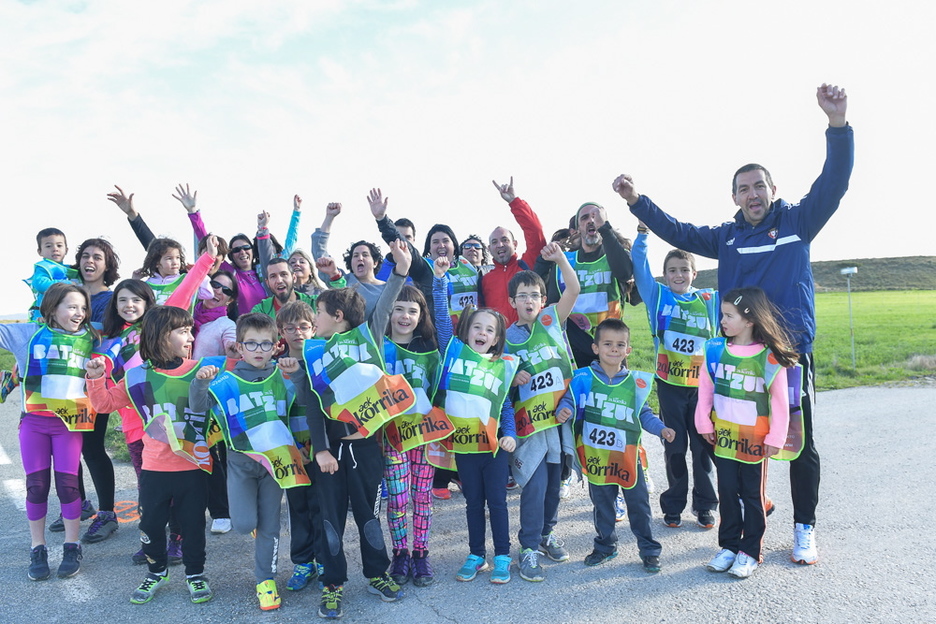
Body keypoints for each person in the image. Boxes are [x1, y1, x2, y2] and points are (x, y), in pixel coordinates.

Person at [615, 83, 852, 565]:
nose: (752, 194)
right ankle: (746, 526)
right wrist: (637, 201)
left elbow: (835, 182)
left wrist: (837, 125)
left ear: (773, 189)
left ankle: (804, 525)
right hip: (737, 357)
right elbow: (678, 231)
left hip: (784, 355)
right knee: (738, 445)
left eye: (759, 186)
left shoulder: (797, 223)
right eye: (743, 188)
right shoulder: (726, 238)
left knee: (796, 441)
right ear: (734, 196)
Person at [295, 239, 412, 619]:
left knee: (367, 515)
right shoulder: (312, 351)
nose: (315, 316)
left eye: (319, 310)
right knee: (329, 519)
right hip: (330, 451)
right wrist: (322, 449)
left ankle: (377, 573)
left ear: (339, 314)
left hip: (365, 448)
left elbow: (385, 303)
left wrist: (400, 270)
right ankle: (332, 583)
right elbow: (313, 403)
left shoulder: (368, 337)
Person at [86, 306, 223, 605]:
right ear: (161, 336)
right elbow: (105, 403)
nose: (190, 337)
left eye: (190, 330)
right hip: (154, 468)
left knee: (192, 525)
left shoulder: (199, 369)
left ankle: (195, 574)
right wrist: (96, 378)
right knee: (149, 525)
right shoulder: (137, 376)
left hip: (193, 465)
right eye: (183, 331)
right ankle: (156, 571)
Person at [190, 313, 310, 611]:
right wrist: (200, 384)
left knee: (270, 525)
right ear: (239, 348)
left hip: (276, 464)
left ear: (276, 347)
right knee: (244, 524)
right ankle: (254, 527)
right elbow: (199, 412)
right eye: (251, 344)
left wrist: (297, 375)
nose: (259, 350)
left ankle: (265, 580)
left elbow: (307, 402)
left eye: (265, 344)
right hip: (240, 463)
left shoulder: (282, 376)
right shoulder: (226, 380)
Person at [556, 319, 676, 573]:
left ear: (628, 350)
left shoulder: (635, 383)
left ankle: (649, 549)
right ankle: (605, 546)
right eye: (607, 344)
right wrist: (564, 410)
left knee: (639, 505)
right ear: (595, 348)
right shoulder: (582, 379)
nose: (614, 349)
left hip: (628, 459)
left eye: (620, 345)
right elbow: (567, 401)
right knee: (602, 505)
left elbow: (645, 414)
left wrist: (661, 429)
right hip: (597, 457)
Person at [695, 288, 797, 578]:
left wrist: (775, 438)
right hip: (724, 438)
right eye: (722, 314)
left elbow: (779, 402)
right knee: (726, 492)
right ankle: (728, 546)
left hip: (755, 441)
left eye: (729, 315)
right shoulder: (715, 349)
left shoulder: (769, 357)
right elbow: (706, 389)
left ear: (749, 320)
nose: (723, 320)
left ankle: (750, 551)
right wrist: (704, 423)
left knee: (752, 495)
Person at [0, 283, 98, 581]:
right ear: (52, 308)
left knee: (69, 487)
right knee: (37, 487)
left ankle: (72, 546)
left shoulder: (92, 336)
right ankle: (37, 547)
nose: (79, 313)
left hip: (69, 425)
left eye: (83, 307)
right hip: (34, 423)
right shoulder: (28, 333)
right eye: (72, 306)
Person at [631, 229, 719, 529]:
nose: (678, 275)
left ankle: (705, 505)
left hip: (702, 388)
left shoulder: (709, 300)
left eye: (684, 269)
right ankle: (674, 505)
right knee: (675, 447)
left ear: (695, 273)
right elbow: (639, 267)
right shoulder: (657, 297)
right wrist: (642, 235)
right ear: (664, 275)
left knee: (703, 447)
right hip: (669, 386)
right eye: (671, 270)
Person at [433, 288, 519, 585]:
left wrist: (510, 435)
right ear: (467, 332)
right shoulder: (453, 353)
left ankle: (503, 555)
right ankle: (476, 555)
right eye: (477, 327)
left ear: (496, 339)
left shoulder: (500, 366)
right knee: (472, 504)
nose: (482, 332)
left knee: (497, 503)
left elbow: (505, 405)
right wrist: (440, 282)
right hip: (465, 449)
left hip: (495, 451)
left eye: (489, 330)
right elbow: (442, 321)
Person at [505, 242, 580, 583]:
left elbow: (574, 288)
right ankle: (528, 547)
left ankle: (547, 534)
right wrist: (511, 376)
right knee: (534, 488)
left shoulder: (552, 320)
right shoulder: (504, 338)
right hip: (530, 429)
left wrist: (561, 259)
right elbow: (497, 381)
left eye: (535, 294)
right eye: (523, 295)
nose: (530, 300)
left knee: (555, 486)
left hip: (560, 423)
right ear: (512, 302)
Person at [381, 269, 453, 588]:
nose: (405, 315)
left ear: (421, 315)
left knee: (421, 496)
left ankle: (421, 553)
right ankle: (400, 552)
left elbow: (439, 391)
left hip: (423, 438)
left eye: (412, 310)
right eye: (398, 308)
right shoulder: (378, 348)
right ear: (389, 311)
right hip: (391, 439)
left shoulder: (430, 351)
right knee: (397, 500)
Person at [534, 201, 634, 368]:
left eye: (596, 216)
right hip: (575, 353)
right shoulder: (565, 261)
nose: (591, 220)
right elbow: (553, 304)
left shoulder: (616, 255)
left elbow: (625, 273)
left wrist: (605, 229)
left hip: (612, 349)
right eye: (585, 218)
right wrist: (544, 259)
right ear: (578, 228)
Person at [275, 301, 324, 593]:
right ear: (281, 331)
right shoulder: (274, 368)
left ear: (314, 328)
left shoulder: (320, 362)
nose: (297, 332)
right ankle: (302, 561)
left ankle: (324, 558)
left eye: (303, 326)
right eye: (290, 328)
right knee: (298, 507)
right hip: (290, 449)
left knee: (323, 505)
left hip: (320, 447)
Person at [480, 177, 547, 325]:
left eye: (505, 240)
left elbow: (535, 231)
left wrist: (514, 202)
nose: (500, 245)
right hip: (499, 343)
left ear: (515, 244)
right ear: (489, 249)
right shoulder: (485, 280)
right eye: (494, 242)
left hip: (530, 339)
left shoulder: (527, 265)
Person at [25, 227, 77, 321]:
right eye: (49, 246)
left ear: (66, 250)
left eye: (59, 245)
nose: (55, 249)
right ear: (40, 252)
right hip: (43, 316)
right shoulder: (43, 268)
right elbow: (40, 284)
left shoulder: (69, 269)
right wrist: (67, 284)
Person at [251, 257, 317, 318]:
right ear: (267, 283)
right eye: (273, 276)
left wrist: (327, 273)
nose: (279, 281)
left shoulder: (314, 303)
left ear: (294, 278)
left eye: (284, 274)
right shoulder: (260, 310)